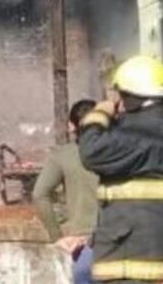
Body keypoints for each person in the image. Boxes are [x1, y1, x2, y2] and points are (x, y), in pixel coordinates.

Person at [78, 55, 163, 284]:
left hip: (132, 262)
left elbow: (91, 152)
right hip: (154, 260)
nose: (117, 101)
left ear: (133, 98)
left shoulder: (143, 133)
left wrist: (99, 114)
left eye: (120, 94)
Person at [32, 99, 100, 284]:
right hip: (120, 241)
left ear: (71, 126)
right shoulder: (119, 154)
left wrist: (57, 236)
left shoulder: (63, 155)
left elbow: (39, 194)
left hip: (83, 245)